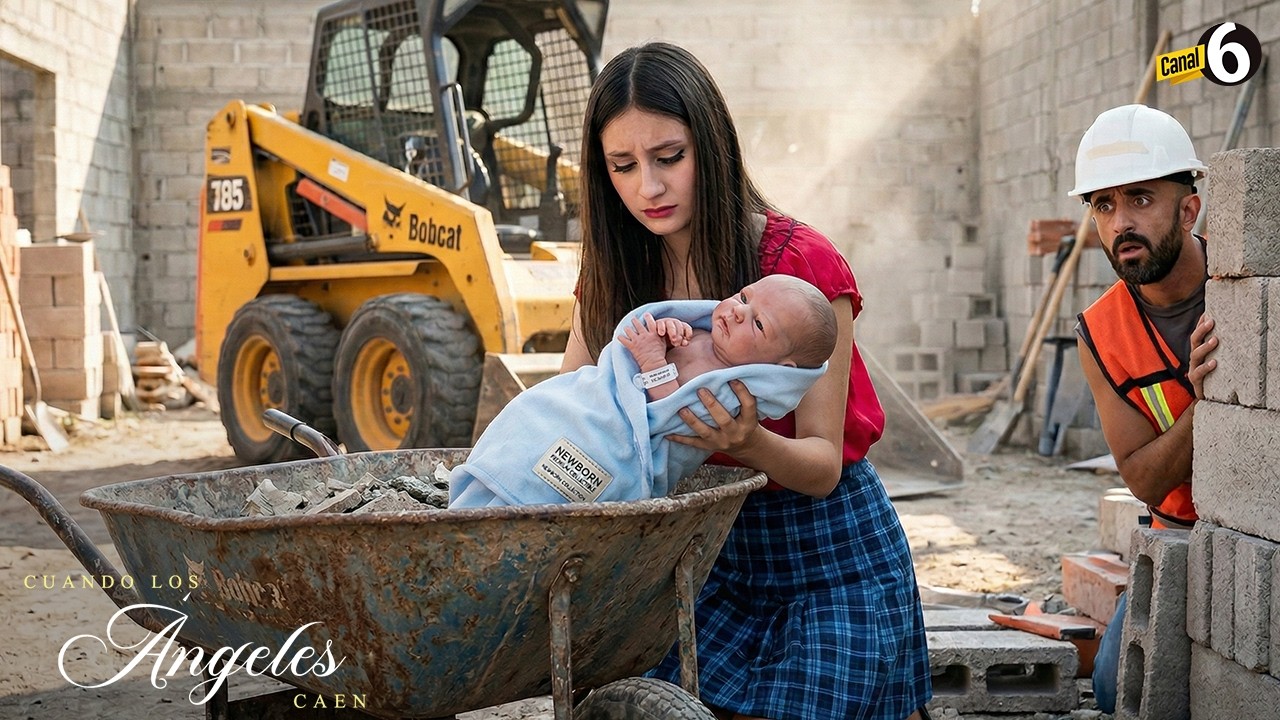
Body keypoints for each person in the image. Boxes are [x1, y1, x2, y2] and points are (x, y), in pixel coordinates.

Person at [562, 41, 931, 720]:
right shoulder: (615, 280)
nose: (649, 187)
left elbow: (820, 465)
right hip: (692, 548)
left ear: (712, 146)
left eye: (669, 158)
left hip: (824, 548)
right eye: (623, 166)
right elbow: (568, 406)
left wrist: (750, 441)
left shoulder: (800, 267)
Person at [1068, 104, 1219, 713]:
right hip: (1178, 532)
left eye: (1139, 198)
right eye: (1103, 206)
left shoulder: (1255, 287)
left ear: (1188, 208)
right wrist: (1203, 405)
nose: (1121, 222)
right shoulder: (1101, 333)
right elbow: (1142, 477)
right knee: (1114, 689)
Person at [449, 274, 835, 508]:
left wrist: (652, 361)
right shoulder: (702, 332)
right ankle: (497, 476)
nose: (736, 311)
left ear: (778, 367)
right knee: (537, 410)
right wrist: (665, 331)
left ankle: (520, 493)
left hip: (625, 442)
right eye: (744, 297)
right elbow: (633, 352)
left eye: (759, 324)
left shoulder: (733, 389)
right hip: (593, 401)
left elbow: (676, 412)